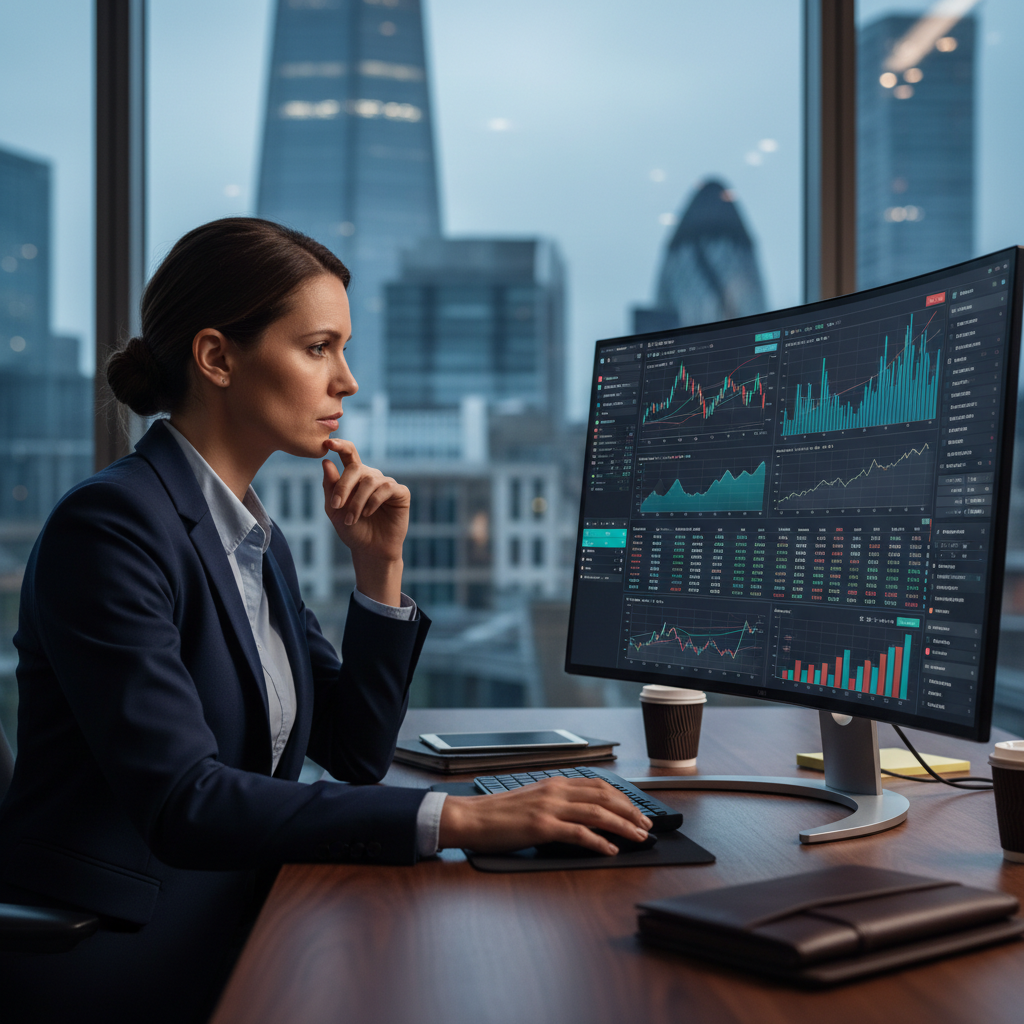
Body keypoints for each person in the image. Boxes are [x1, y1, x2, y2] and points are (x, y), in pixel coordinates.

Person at [0, 218, 651, 1022]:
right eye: (319, 348)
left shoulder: (250, 536)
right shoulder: (112, 528)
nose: (346, 380)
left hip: (247, 903)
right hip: (124, 946)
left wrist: (378, 571)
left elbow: (353, 751)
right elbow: (184, 802)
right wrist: (464, 818)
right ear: (217, 357)